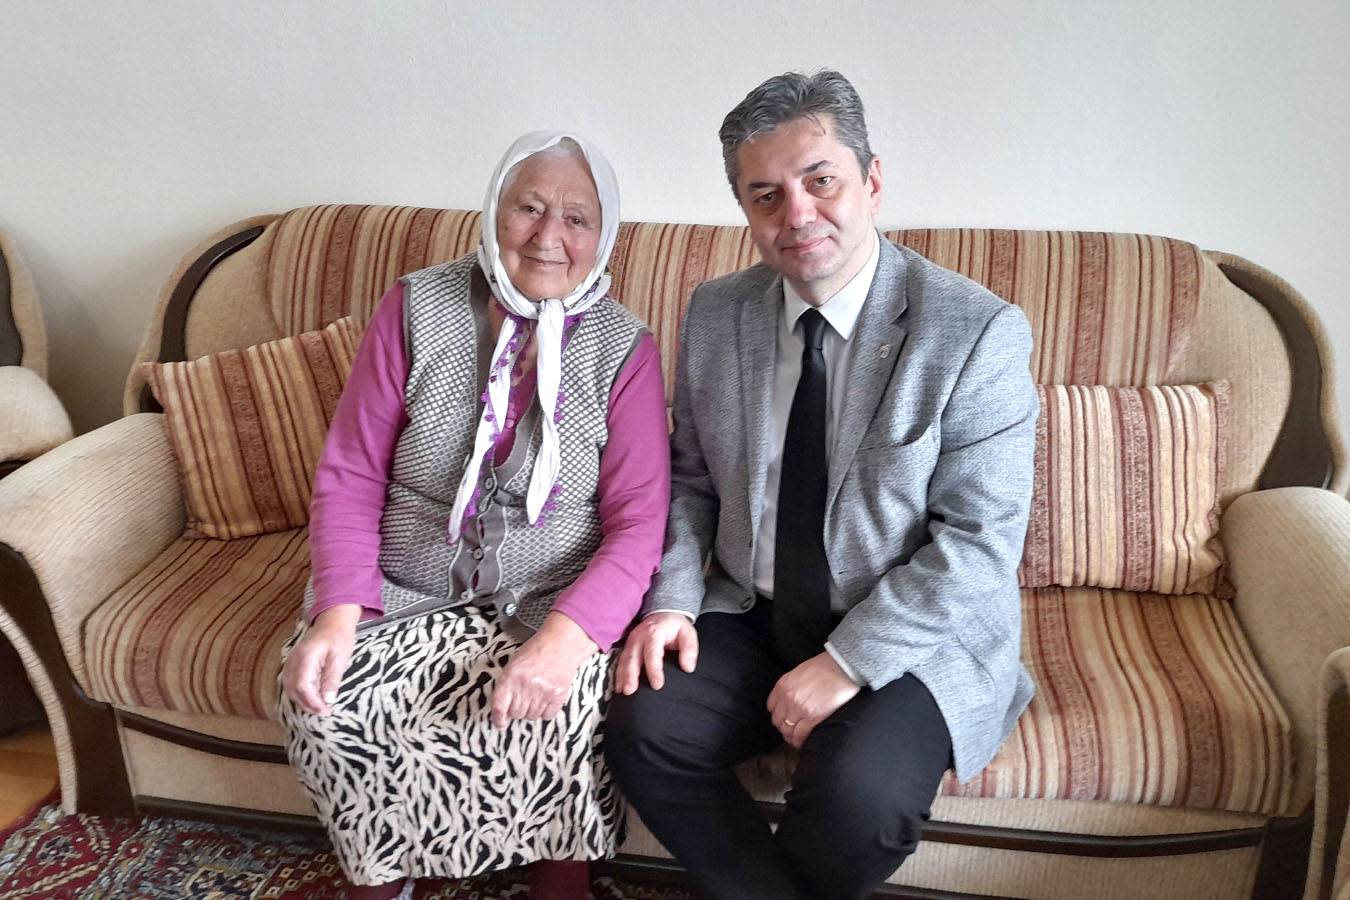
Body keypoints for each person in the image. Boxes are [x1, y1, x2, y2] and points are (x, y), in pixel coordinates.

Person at [605, 71, 1038, 900]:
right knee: (642, 726)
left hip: (913, 632)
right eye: (766, 195)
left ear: (871, 182)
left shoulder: (974, 330)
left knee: (858, 800)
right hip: (753, 607)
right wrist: (670, 603)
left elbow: (979, 544)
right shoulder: (716, 312)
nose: (797, 215)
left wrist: (847, 660)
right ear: (745, 211)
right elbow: (690, 483)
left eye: (821, 181)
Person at [278, 131, 670, 900]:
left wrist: (567, 639)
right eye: (529, 207)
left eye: (577, 218)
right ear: (493, 211)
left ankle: (557, 882)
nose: (549, 235)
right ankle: (385, 879)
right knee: (329, 699)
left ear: (604, 236)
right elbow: (351, 471)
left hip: (550, 598)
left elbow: (640, 521)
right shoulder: (416, 306)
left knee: (566, 705)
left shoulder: (624, 347)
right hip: (401, 587)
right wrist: (338, 611)